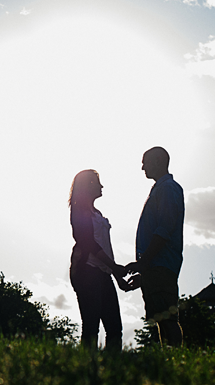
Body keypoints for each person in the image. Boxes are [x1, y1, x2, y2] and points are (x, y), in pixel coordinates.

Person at [68, 169, 137, 350]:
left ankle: (110, 370)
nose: (102, 186)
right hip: (87, 272)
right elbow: (88, 244)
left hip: (103, 273)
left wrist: (117, 277)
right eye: (97, 182)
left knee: (115, 328)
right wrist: (115, 268)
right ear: (88, 186)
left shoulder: (96, 213)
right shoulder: (79, 211)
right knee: (91, 325)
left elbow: (105, 247)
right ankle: (86, 370)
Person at [126, 147, 185, 347]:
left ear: (158, 161)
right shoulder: (161, 189)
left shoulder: (168, 189)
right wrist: (145, 272)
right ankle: (169, 360)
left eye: (146, 161)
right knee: (161, 319)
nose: (142, 166)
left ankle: (176, 360)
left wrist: (145, 262)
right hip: (156, 266)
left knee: (167, 319)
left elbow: (164, 228)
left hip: (161, 264)